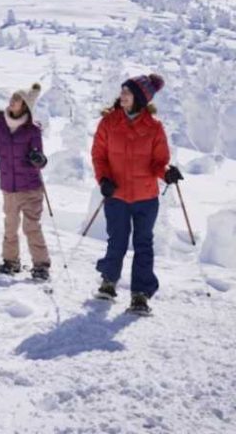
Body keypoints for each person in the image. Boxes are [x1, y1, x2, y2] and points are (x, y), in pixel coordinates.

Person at [91, 73, 183, 315]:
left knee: (143, 244)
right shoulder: (109, 123)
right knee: (117, 240)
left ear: (140, 98)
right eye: (122, 92)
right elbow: (99, 156)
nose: (122, 96)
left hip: (146, 198)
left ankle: (140, 294)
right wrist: (103, 180)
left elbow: (159, 162)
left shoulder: (154, 127)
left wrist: (167, 173)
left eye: (127, 93)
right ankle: (109, 282)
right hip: (117, 195)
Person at [0, 82, 50, 280]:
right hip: (9, 187)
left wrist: (38, 159)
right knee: (10, 226)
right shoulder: (0, 124)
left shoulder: (33, 130)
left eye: (18, 99)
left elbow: (40, 158)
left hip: (30, 187)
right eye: (13, 97)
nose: (13, 101)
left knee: (31, 227)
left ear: (24, 106)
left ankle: (41, 265)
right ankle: (10, 262)